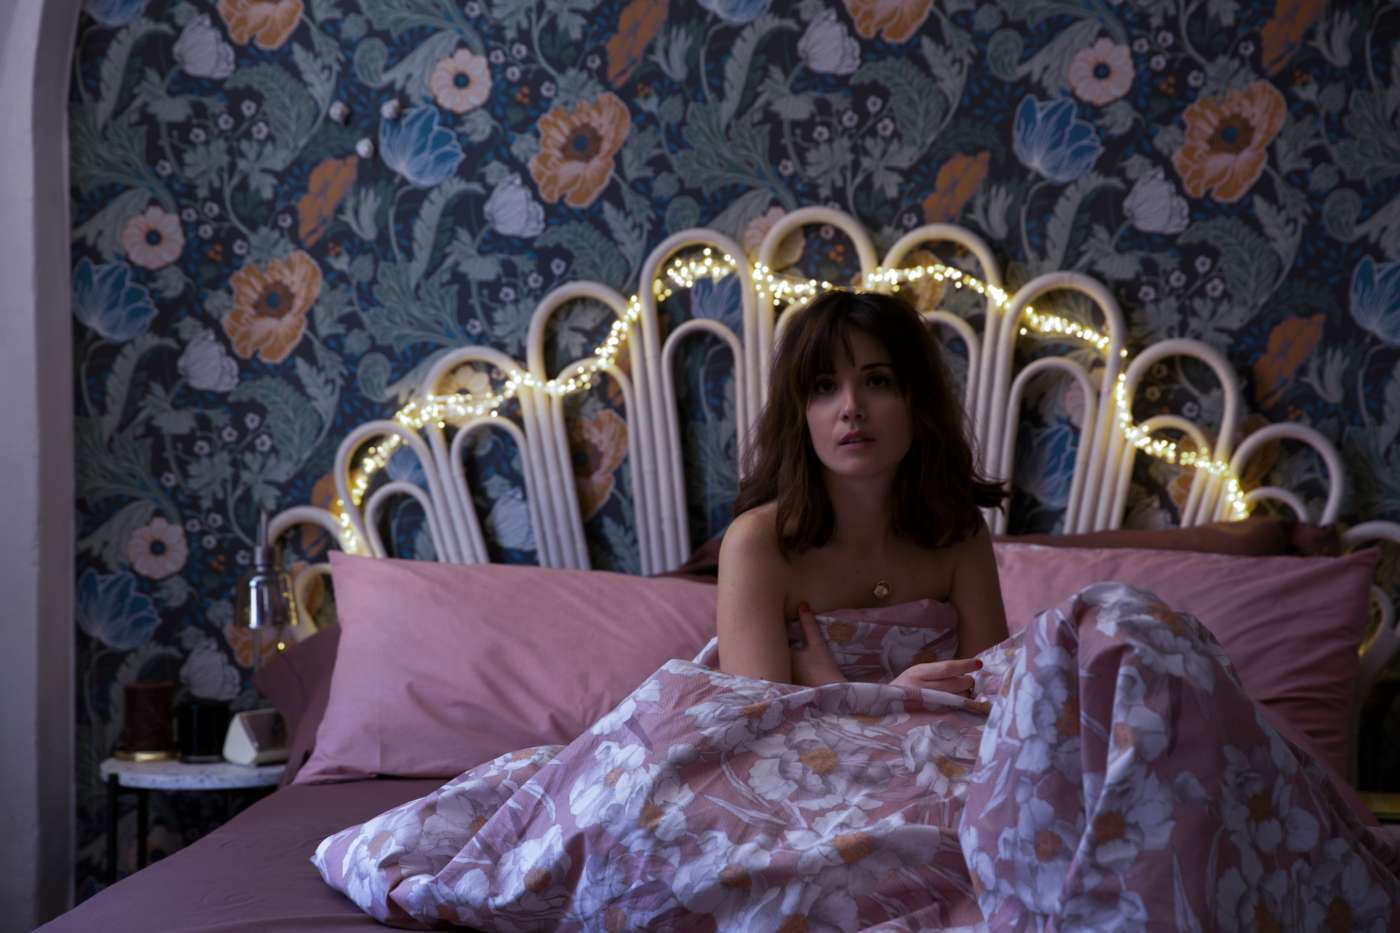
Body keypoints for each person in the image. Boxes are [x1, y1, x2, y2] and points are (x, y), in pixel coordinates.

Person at [716, 288, 1009, 691]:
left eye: (877, 381)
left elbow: (993, 700)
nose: (851, 407)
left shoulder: (959, 533)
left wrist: (842, 688)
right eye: (824, 387)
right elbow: (756, 720)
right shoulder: (758, 543)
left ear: (917, 402)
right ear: (800, 415)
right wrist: (893, 702)